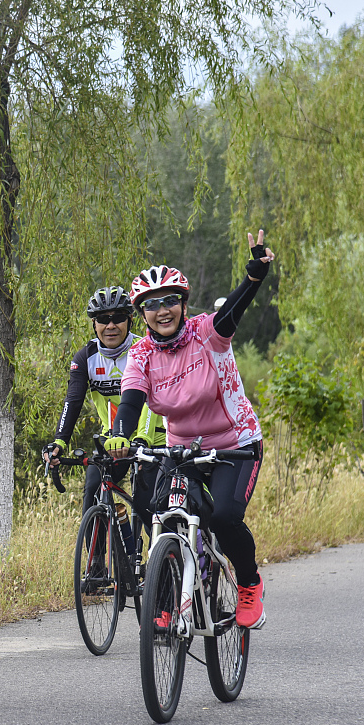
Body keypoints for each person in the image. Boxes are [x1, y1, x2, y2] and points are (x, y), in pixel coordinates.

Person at [106, 230, 274, 629]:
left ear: (182, 304)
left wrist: (253, 277)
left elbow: (233, 309)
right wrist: (120, 435)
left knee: (224, 517)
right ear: (141, 314)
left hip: (236, 444)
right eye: (151, 305)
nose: (162, 311)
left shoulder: (207, 333)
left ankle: (249, 583)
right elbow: (130, 402)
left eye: (169, 301)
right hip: (183, 450)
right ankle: (164, 602)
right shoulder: (141, 354)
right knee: (161, 513)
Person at [44, 286, 163, 553]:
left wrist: (142, 438)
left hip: (153, 435)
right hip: (114, 438)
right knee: (94, 489)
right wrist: (60, 442)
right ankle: (96, 566)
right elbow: (72, 401)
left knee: (148, 506)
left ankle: (162, 571)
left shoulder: (144, 349)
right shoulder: (86, 357)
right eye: (103, 319)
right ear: (94, 325)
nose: (111, 325)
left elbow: (151, 401)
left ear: (129, 320)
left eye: (118, 317)